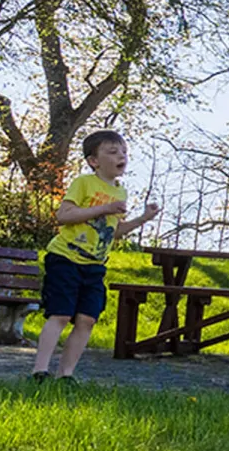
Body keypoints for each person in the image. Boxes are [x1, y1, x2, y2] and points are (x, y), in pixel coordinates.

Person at [31, 130, 157, 382]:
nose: (121, 156)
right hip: (65, 258)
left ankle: (65, 375)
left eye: (124, 152)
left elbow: (113, 232)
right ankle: (39, 372)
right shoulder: (84, 183)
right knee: (61, 314)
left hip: (95, 266)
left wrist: (143, 218)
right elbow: (64, 216)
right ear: (94, 161)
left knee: (87, 319)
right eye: (113, 152)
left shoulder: (120, 192)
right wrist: (104, 208)